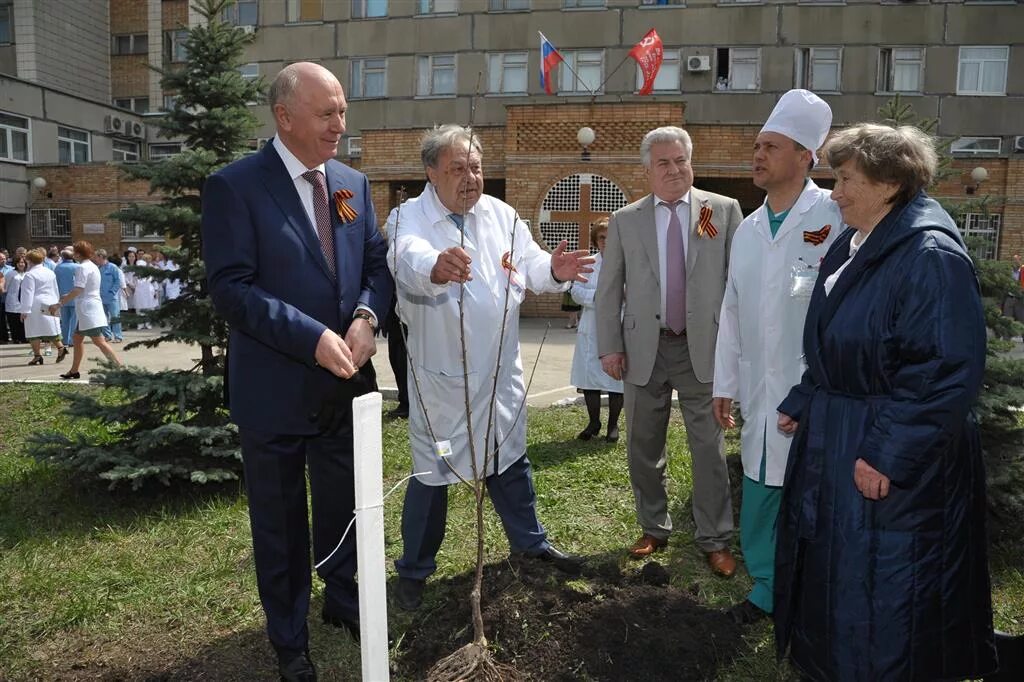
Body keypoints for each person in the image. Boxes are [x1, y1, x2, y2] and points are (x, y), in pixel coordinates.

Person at [773, 123, 997, 681]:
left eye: (846, 178)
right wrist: (806, 397)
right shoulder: (856, 242)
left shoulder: (927, 254)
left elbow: (944, 368)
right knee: (840, 573)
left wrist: (889, 453)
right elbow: (840, 336)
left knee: (884, 585)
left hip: (886, 446)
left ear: (890, 184)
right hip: (843, 428)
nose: (835, 191)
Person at [202, 62, 391, 682]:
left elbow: (374, 266)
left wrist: (366, 315)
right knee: (280, 523)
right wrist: (311, 337)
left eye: (343, 110)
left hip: (345, 384)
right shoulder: (236, 187)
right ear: (285, 117)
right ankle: (288, 636)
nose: (341, 124)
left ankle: (342, 599)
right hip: (276, 387)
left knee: (342, 506)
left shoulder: (352, 184)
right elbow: (231, 289)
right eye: (327, 113)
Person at [387, 124, 591, 612]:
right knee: (433, 475)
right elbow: (404, 256)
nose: (469, 177)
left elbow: (531, 264)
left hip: (500, 374)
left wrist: (553, 271)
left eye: (475, 167)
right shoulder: (406, 218)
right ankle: (414, 571)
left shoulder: (501, 214)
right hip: (442, 382)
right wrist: (434, 265)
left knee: (509, 461)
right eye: (457, 168)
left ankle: (531, 545)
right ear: (431, 173)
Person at [711, 89, 841, 625]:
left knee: (809, 493)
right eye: (757, 145)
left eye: (771, 146)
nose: (757, 155)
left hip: (814, 389)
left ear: (806, 156)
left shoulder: (834, 215)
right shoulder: (745, 230)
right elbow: (732, 312)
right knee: (761, 487)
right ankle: (766, 586)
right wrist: (725, 384)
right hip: (760, 390)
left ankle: (811, 590)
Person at [595, 126, 743, 573]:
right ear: (647, 170)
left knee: (708, 448)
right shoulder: (626, 220)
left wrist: (738, 349)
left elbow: (738, 283)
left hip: (704, 348)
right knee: (643, 446)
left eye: (681, 160)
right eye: (664, 162)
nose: (675, 169)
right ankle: (654, 528)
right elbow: (609, 289)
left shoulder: (723, 210)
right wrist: (609, 346)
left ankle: (715, 538)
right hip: (645, 348)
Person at [569, 218, 624, 442]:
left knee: (616, 380)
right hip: (590, 327)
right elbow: (576, 292)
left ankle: (613, 425)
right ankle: (594, 422)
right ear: (595, 240)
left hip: (618, 327)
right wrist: (601, 298)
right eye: (602, 237)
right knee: (589, 378)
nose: (606, 242)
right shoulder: (588, 263)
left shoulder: (627, 263)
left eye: (611, 237)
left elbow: (631, 295)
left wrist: (613, 300)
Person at [49, 241, 123, 380]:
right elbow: (84, 289)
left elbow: (79, 289)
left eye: (74, 251)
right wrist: (68, 295)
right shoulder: (93, 266)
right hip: (89, 307)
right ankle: (74, 371)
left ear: (77, 253)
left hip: (88, 310)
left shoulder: (82, 268)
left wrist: (59, 303)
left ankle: (120, 369)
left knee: (99, 341)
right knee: (77, 339)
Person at [19, 248, 67, 365]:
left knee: (33, 331)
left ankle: (37, 355)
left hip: (35, 305)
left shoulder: (30, 275)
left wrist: (25, 310)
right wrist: (56, 303)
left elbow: (27, 293)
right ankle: (61, 348)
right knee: (50, 328)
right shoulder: (50, 272)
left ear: (29, 261)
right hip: (50, 301)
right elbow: (55, 288)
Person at [383, 293, 410, 418]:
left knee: (402, 356)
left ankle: (407, 403)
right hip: (393, 305)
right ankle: (405, 400)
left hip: (407, 305)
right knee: (395, 355)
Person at [96, 249, 125, 342]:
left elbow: (117, 281)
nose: (95, 259)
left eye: (96, 257)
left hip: (112, 297)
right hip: (100, 297)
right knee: (102, 317)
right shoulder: (98, 268)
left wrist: (112, 292)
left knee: (115, 317)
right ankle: (107, 335)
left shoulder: (113, 267)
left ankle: (118, 336)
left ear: (101, 257)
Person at [54, 248, 79, 347]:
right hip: (74, 296)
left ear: (62, 257)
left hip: (62, 298)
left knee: (65, 320)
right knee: (74, 320)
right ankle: (73, 340)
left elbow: (55, 283)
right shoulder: (77, 267)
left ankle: (65, 340)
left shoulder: (58, 268)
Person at [4, 254, 28, 344]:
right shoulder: (11, 273)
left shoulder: (27, 273)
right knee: (14, 321)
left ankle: (24, 338)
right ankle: (16, 338)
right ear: (15, 263)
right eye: (19, 262)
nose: (21, 264)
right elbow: (6, 286)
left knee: (23, 322)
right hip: (13, 301)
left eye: (22, 262)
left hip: (24, 301)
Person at [0, 251, 13, 343]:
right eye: (1, 259)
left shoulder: (11, 269)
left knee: (11, 318)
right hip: (0, 298)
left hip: (9, 297)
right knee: (1, 319)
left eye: (4, 258)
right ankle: (3, 338)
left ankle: (14, 336)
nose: (3, 260)